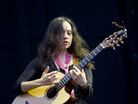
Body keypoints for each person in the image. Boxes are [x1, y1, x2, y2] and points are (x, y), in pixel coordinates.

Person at [12, 16, 94, 104]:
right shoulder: (41, 62)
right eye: (61, 33)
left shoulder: (81, 62)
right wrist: (40, 82)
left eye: (69, 33)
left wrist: (84, 84)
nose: (65, 36)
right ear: (53, 36)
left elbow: (88, 95)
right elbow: (17, 87)